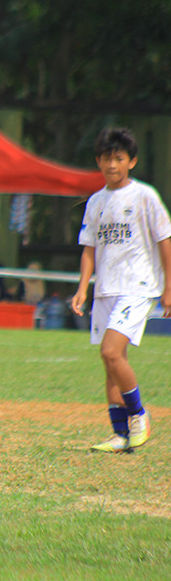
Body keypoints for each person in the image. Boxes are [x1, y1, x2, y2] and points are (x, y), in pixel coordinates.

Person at [71, 127, 171, 453]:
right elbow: (89, 249)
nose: (112, 164)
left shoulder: (145, 196)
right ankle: (120, 435)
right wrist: (83, 288)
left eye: (119, 158)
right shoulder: (96, 202)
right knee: (111, 364)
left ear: (132, 161)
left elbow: (164, 242)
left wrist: (169, 287)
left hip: (138, 286)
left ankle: (139, 414)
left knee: (111, 352)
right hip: (106, 288)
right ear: (97, 162)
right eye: (106, 158)